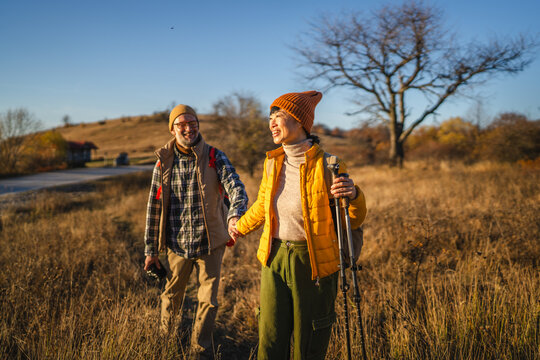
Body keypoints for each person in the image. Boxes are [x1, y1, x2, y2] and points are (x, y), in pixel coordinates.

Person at [231, 91, 367, 360]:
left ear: (299, 121)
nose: (271, 123)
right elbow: (262, 205)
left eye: (278, 116)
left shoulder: (329, 165)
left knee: (308, 342)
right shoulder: (273, 162)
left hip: (314, 260)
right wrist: (239, 227)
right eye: (269, 118)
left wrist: (354, 195)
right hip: (275, 256)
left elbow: (353, 219)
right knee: (270, 337)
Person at [143, 104, 248, 359]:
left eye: (192, 123)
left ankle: (200, 351)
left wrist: (235, 213)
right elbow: (154, 207)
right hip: (176, 244)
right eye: (182, 124)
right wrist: (151, 251)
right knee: (171, 297)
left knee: (208, 301)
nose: (188, 128)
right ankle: (165, 345)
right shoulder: (163, 162)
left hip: (210, 242)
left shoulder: (214, 156)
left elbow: (236, 187)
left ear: (198, 125)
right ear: (172, 128)